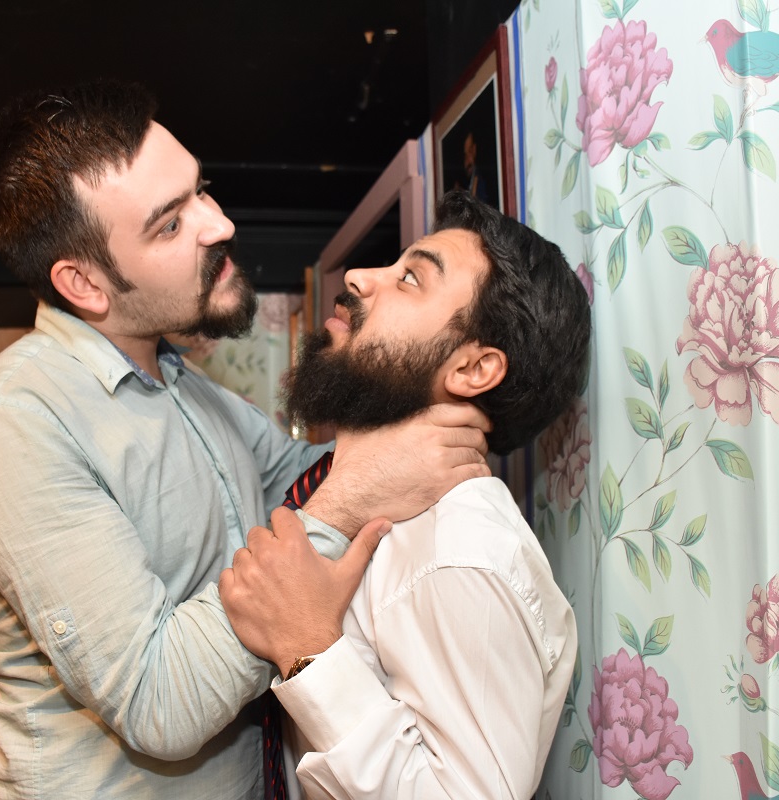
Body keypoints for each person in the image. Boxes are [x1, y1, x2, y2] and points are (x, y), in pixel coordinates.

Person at [0, 79, 492, 799]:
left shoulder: (182, 382)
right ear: (85, 283)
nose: (219, 224)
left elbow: (306, 475)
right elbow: (158, 701)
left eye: (200, 190)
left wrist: (432, 385)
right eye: (170, 225)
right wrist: (350, 500)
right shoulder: (12, 423)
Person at [220, 190, 592, 799]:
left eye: (411, 278)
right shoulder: (377, 501)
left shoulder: (458, 552)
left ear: (473, 370)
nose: (359, 277)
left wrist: (309, 650)